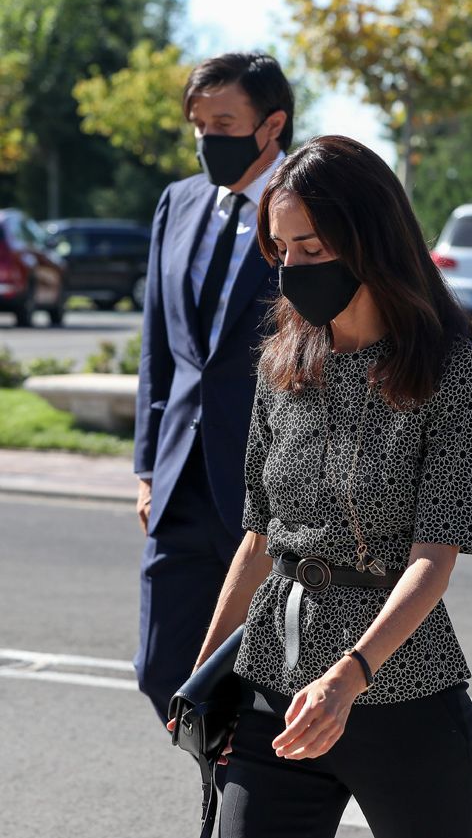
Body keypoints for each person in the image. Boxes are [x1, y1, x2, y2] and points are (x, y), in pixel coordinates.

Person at [187, 135, 472, 837]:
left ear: (370, 239)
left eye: (313, 249)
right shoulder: (281, 363)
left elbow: (433, 557)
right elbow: (258, 537)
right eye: (282, 249)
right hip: (273, 687)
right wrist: (206, 672)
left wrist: (348, 676)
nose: (293, 266)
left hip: (400, 690)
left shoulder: (450, 366)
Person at [133, 52, 295, 724]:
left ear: (271, 124)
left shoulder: (317, 205)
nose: (206, 140)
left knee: (269, 678)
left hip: (272, 486)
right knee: (165, 671)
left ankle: (248, 809)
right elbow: (159, 350)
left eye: (223, 122)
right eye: (198, 125)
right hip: (178, 482)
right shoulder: (178, 202)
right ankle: (226, 784)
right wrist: (146, 468)